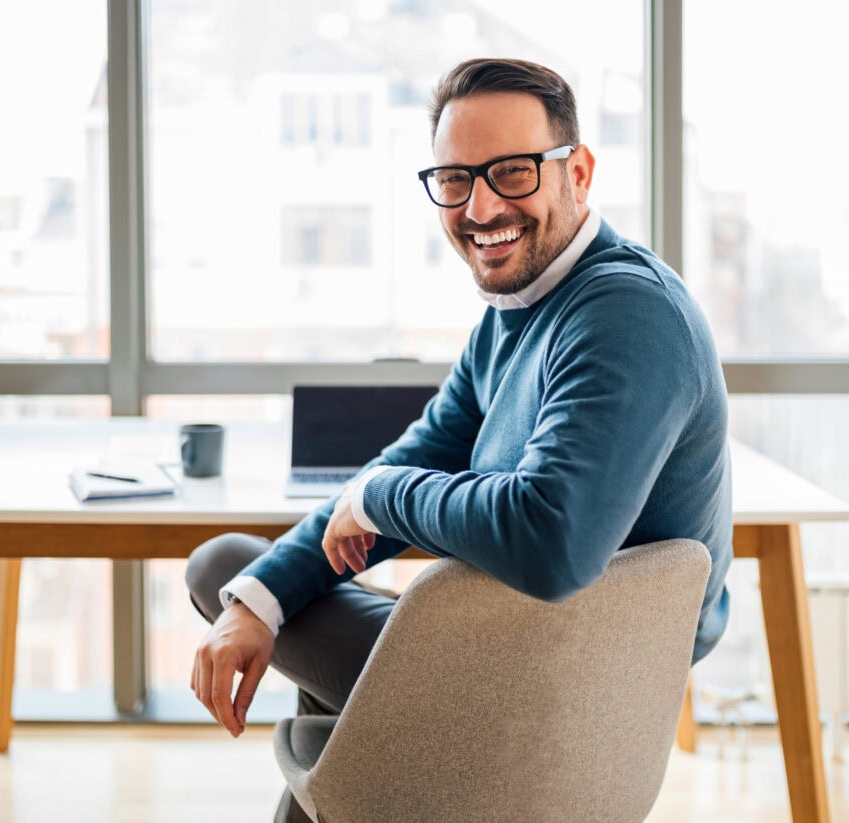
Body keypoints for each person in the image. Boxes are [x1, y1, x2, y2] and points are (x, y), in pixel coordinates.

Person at [185, 57, 732, 822]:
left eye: (512, 172)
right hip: (499, 647)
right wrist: (269, 595)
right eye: (454, 179)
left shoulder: (626, 315)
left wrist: (378, 498)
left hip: (569, 689)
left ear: (579, 171)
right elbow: (419, 457)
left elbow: (553, 540)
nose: (479, 207)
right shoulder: (517, 313)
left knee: (248, 607)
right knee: (240, 580)